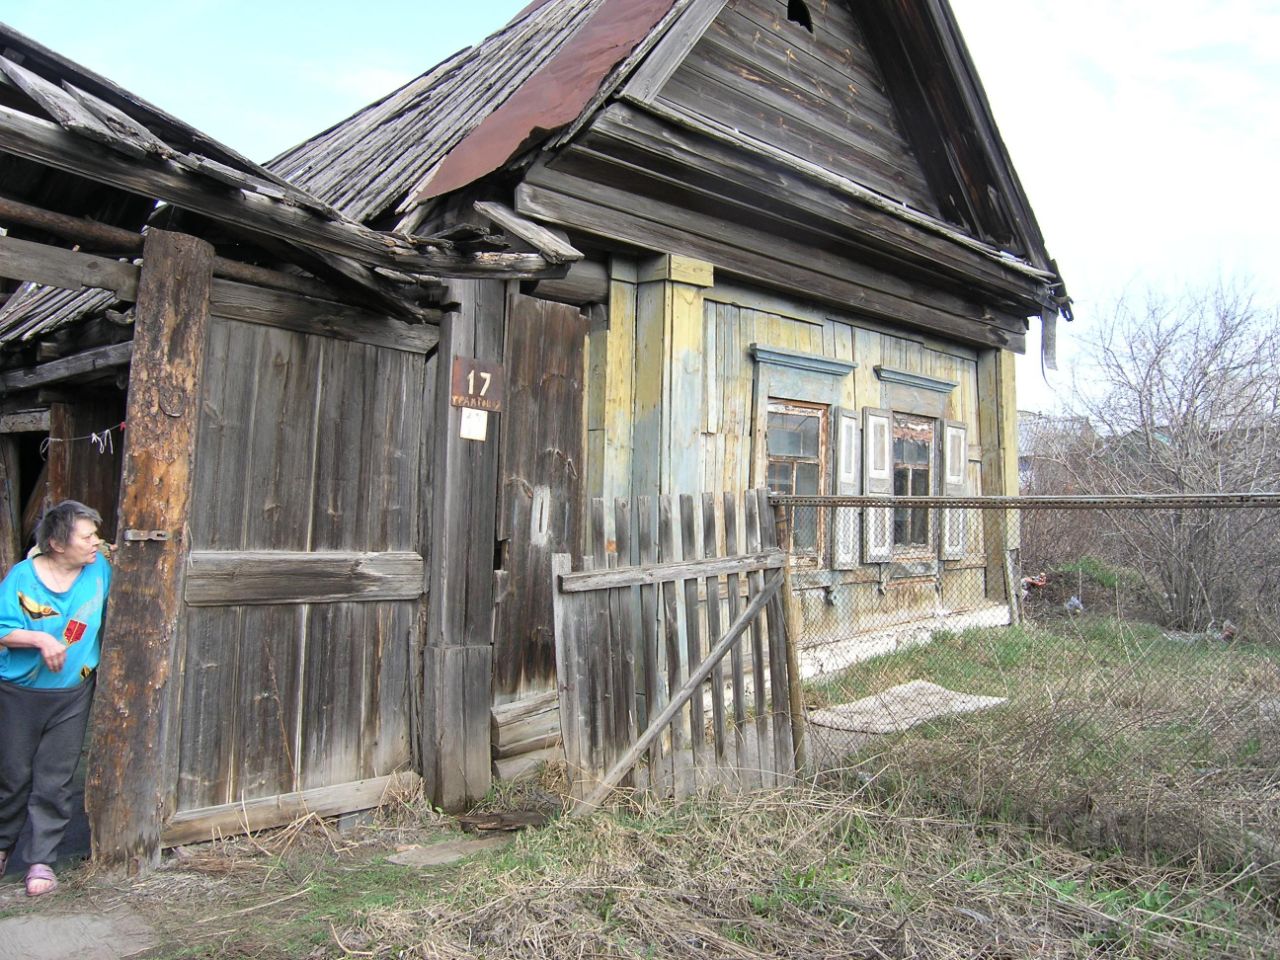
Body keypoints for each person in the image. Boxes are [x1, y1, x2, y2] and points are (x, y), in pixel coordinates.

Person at [0, 501, 111, 897]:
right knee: (12, 775)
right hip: (19, 693)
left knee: (55, 778)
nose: (95, 542)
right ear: (57, 544)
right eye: (87, 536)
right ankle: (2, 845)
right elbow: (2, 628)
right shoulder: (22, 578)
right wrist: (40, 637)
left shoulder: (100, 569)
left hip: (71, 693)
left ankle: (41, 859)